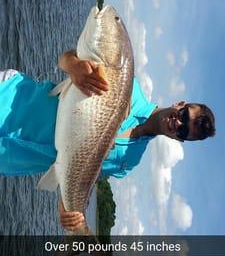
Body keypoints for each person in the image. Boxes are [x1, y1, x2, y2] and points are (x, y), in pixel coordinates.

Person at [0, 51, 216, 231]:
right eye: (185, 116)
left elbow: (84, 176)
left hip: (10, 158)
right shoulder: (127, 86)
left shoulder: (128, 162)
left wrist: (69, 209)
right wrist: (74, 66)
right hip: (10, 96)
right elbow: (65, 58)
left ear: (180, 140)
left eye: (184, 131)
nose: (179, 124)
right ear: (180, 104)